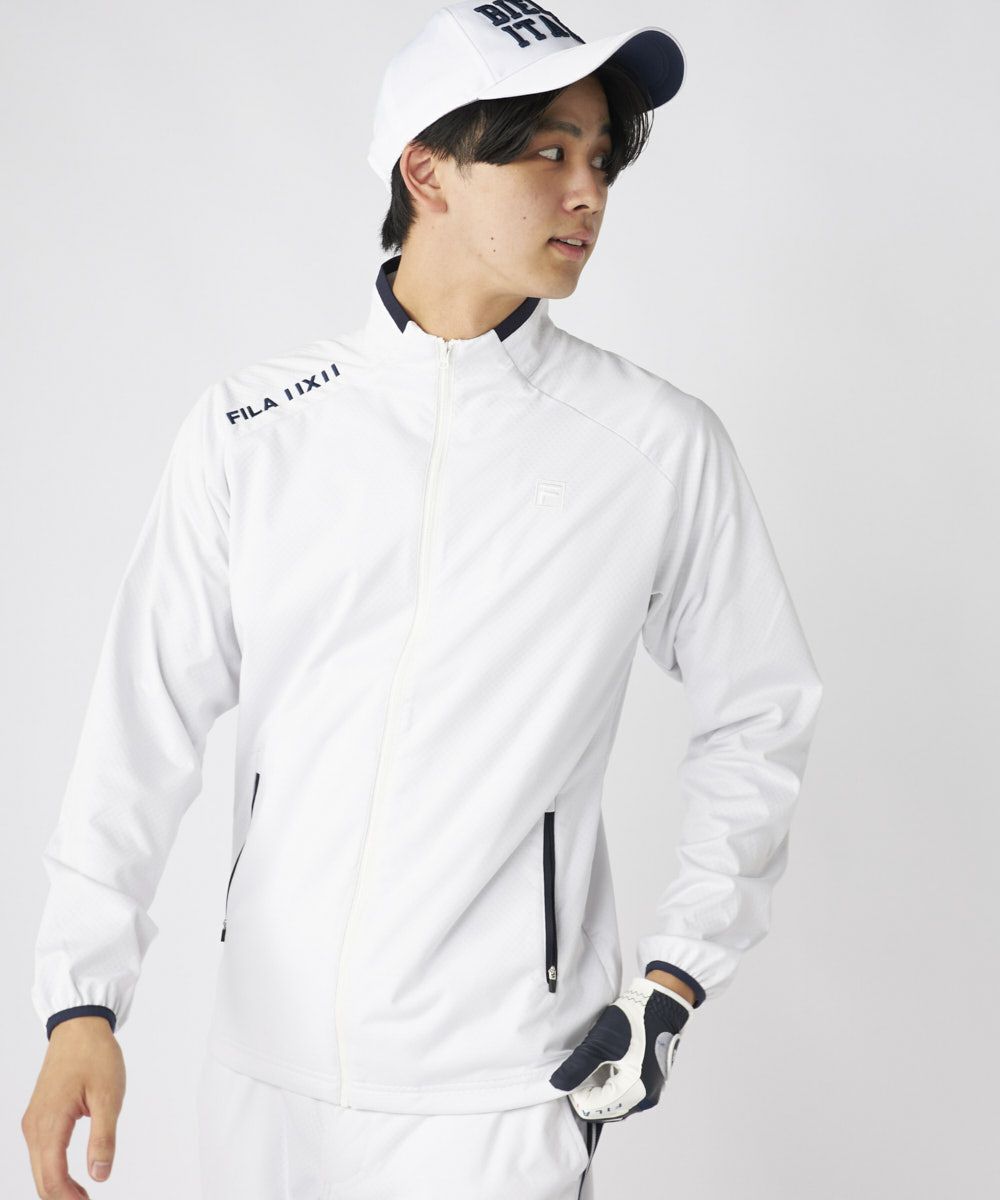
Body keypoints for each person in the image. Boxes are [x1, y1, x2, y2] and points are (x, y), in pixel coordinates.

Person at [21, 3, 824, 1198]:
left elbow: (761, 711)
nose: (588, 192)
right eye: (547, 150)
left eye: (602, 159)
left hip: (502, 1095)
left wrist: (674, 977)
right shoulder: (253, 430)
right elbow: (139, 729)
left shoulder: (653, 447)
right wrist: (80, 1001)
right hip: (266, 1082)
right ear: (427, 170)